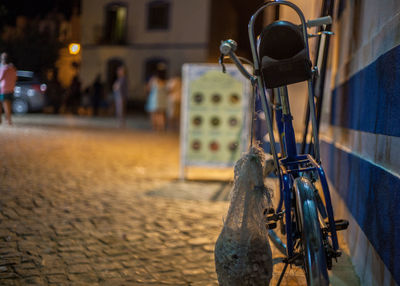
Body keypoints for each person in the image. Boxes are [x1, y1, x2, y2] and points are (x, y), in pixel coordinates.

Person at [145, 64, 168, 131]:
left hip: (154, 99)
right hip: (162, 99)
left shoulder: (154, 80)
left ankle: (154, 127)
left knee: (154, 114)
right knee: (161, 114)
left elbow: (148, 88)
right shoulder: (164, 81)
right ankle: (162, 127)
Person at [0, 53, 17, 125]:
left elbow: (0, 78)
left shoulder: (4, 68)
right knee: (8, 105)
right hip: (11, 89)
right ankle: (8, 120)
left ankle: (8, 120)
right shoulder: (13, 68)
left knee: (5, 104)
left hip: (3, 89)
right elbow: (16, 78)